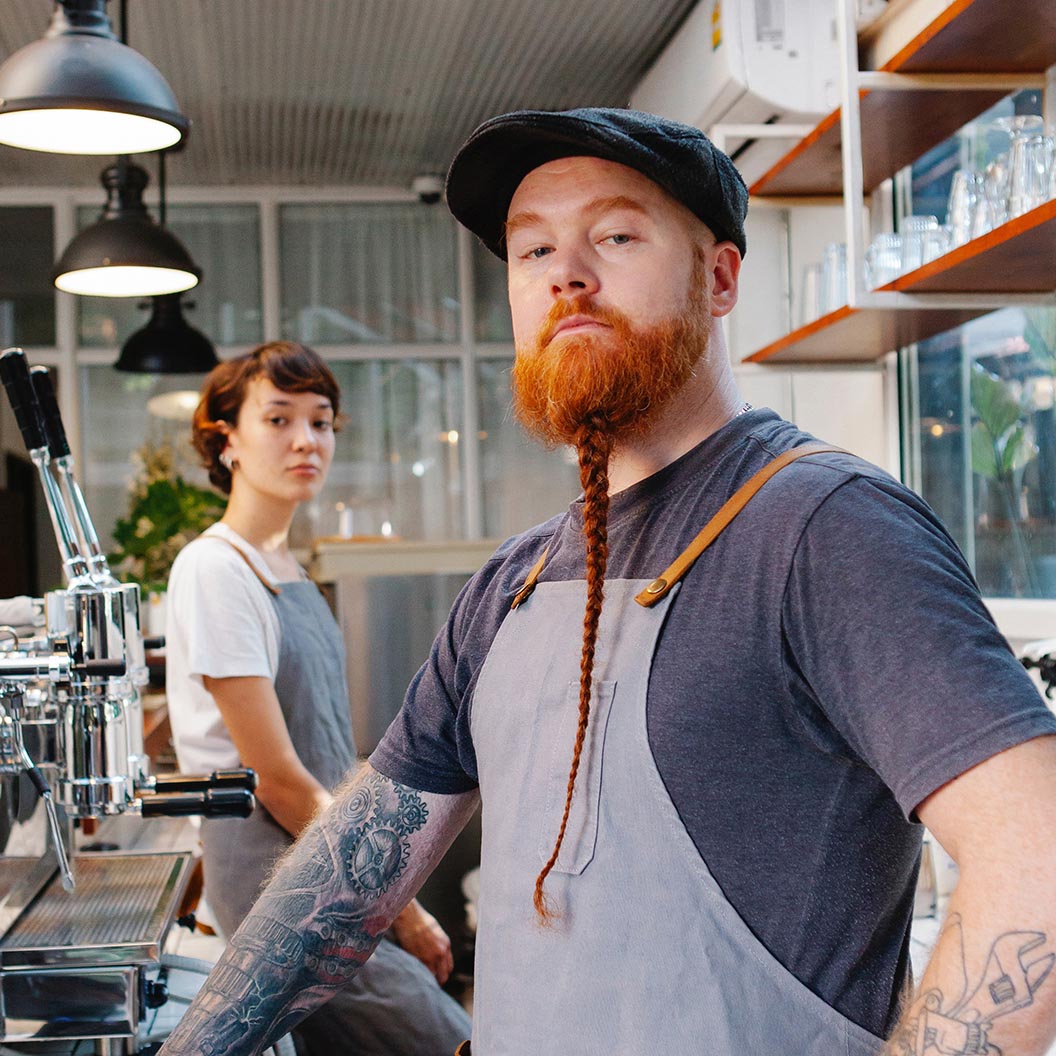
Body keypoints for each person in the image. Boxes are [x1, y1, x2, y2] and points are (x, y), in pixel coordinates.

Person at [159, 110, 1056, 1056]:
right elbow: (343, 878)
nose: (566, 274)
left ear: (718, 278)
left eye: (615, 236)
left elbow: (1035, 859)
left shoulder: (824, 529)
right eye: (532, 248)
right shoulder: (514, 582)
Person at [164, 341, 470, 1056]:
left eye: (322, 421)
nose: (306, 440)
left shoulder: (284, 567)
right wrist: (403, 908)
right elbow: (280, 778)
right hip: (284, 895)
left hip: (337, 872)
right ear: (226, 440)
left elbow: (329, 753)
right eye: (278, 419)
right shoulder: (215, 570)